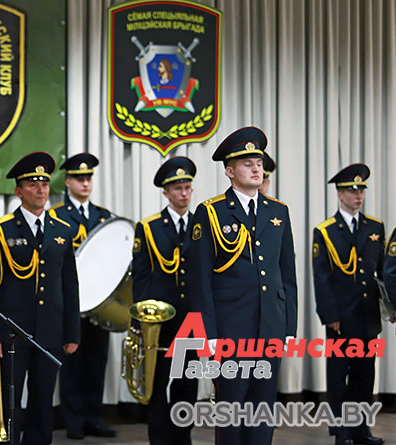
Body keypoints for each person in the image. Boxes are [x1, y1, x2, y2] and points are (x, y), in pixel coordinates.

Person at [189, 127, 297, 445]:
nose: (256, 168)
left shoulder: (278, 212)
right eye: (247, 163)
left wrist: (288, 327)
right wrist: (206, 334)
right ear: (230, 171)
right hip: (230, 327)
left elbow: (286, 274)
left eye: (258, 161)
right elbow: (200, 280)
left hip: (270, 326)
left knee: (263, 410)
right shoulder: (210, 213)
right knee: (232, 411)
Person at [0, 151, 80, 445]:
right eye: (33, 185)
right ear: (18, 190)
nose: (41, 190)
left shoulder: (62, 230)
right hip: (12, 334)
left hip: (50, 331)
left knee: (42, 402)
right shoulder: (0, 230)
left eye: (45, 184)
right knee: (9, 401)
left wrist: (72, 331)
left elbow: (70, 285)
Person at [312, 164, 385, 445]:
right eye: (352, 191)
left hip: (367, 317)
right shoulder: (326, 231)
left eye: (361, 190)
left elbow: (382, 272)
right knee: (339, 375)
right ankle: (341, 431)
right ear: (340, 195)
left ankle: (361, 430)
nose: (358, 196)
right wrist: (329, 315)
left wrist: (390, 307)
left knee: (365, 376)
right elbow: (322, 277)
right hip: (340, 318)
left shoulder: (375, 227)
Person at [132, 156, 199, 444]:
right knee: (157, 385)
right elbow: (141, 278)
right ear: (166, 192)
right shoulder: (149, 228)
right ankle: (159, 439)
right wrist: (139, 321)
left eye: (187, 187)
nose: (183, 193)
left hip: (191, 321)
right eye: (177, 189)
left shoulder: (202, 226)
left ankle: (182, 438)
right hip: (160, 322)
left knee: (187, 385)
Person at [52, 153, 115, 440]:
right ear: (67, 182)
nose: (85, 182)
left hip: (100, 303)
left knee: (96, 361)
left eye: (89, 177)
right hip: (71, 302)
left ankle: (94, 418)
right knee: (72, 364)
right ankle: (74, 421)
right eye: (79, 178)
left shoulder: (104, 217)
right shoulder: (57, 216)